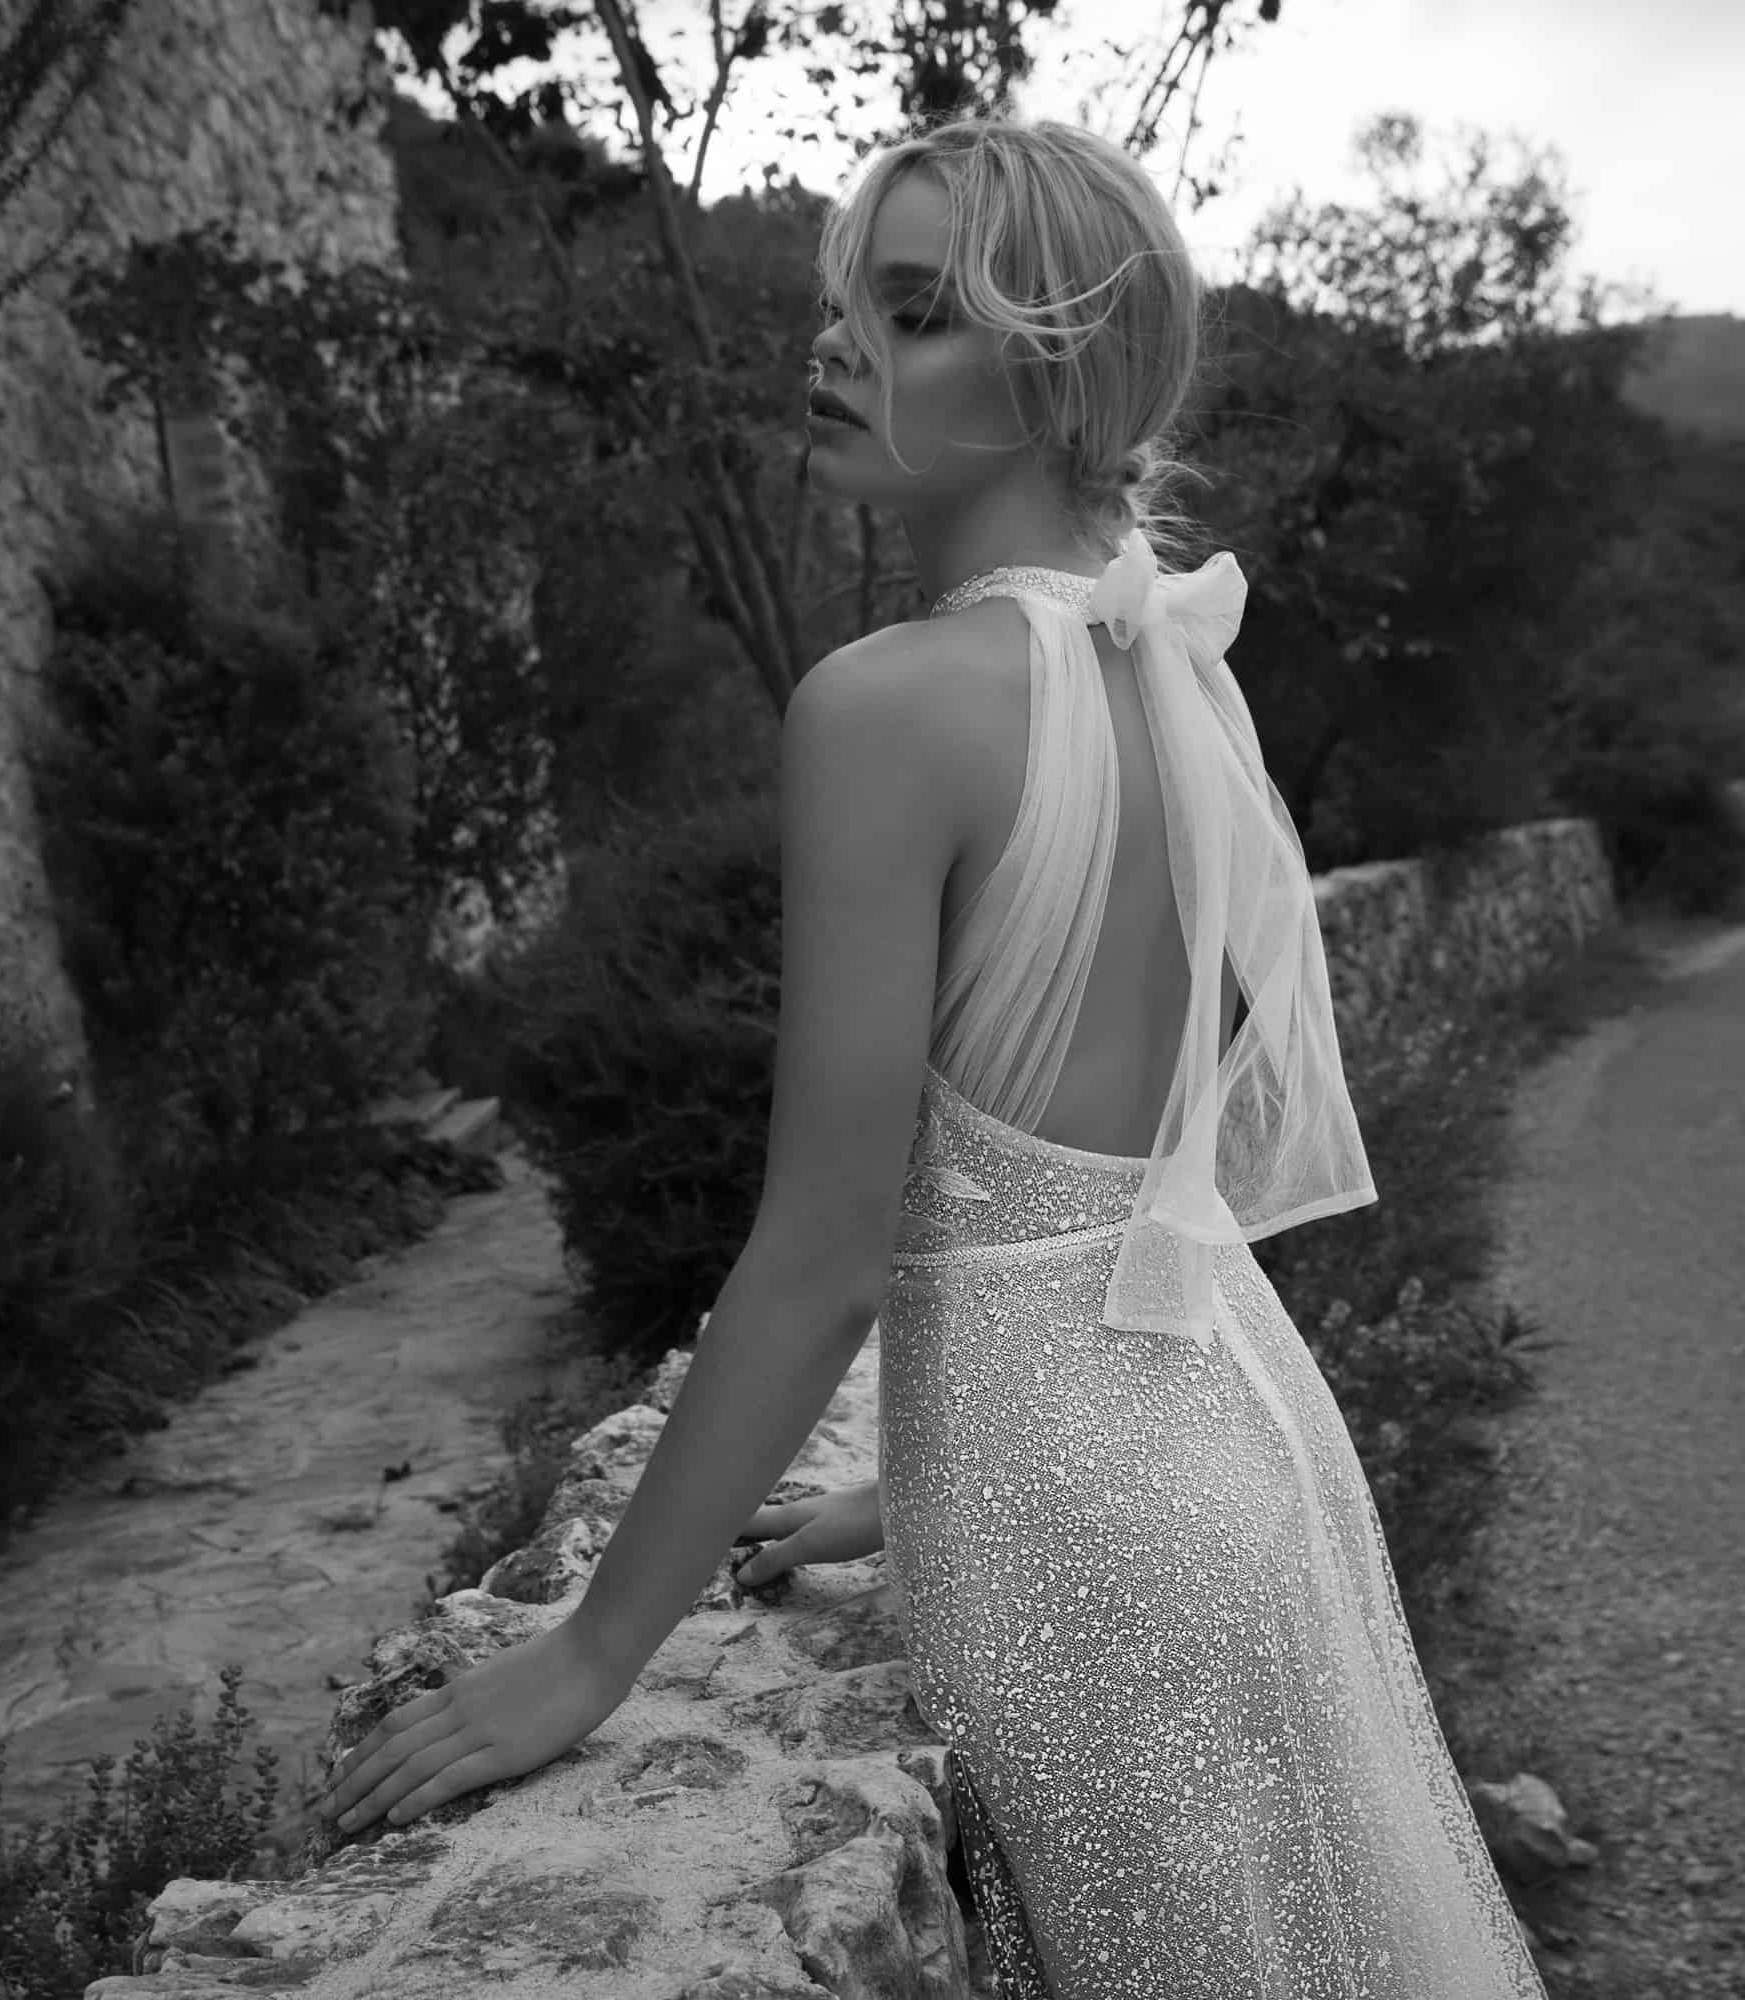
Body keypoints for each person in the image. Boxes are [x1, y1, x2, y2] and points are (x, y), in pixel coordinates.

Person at [321, 112, 1548, 1998]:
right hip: (1237, 1454)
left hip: (1076, 1543)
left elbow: (823, 1259)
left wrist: (588, 1651)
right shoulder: (1173, 667)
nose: (836, 345)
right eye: (848, 302)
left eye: (913, 312)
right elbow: (1115, 1167)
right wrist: (906, 1492)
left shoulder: (886, 704)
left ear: (1060, 377)